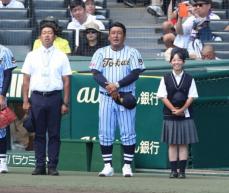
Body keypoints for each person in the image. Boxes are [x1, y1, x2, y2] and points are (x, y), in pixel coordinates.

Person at [90, 22, 145, 177]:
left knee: (128, 132)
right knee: (105, 132)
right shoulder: (101, 52)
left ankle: (127, 166)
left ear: (124, 36)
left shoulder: (132, 52)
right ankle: (108, 166)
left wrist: (117, 85)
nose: (116, 35)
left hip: (125, 97)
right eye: (113, 33)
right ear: (108, 36)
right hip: (106, 97)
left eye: (119, 33)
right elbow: (95, 73)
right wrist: (110, 87)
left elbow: (135, 73)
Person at [21, 21, 72, 176]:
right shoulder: (31, 55)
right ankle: (39, 165)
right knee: (39, 134)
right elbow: (25, 80)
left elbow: (67, 81)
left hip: (54, 97)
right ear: (40, 36)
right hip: (36, 97)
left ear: (54, 36)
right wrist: (25, 100)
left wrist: (65, 102)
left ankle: (53, 166)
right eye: (44, 33)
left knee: (55, 134)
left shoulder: (61, 56)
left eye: (50, 33)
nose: (47, 35)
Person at [157, 48, 199, 178]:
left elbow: (191, 97)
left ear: (183, 62)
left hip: (185, 115)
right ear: (171, 62)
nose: (176, 62)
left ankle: (182, 172)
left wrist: (182, 110)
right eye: (174, 60)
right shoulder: (165, 78)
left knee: (183, 143)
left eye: (179, 60)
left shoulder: (189, 78)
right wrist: (174, 110)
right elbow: (162, 96)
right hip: (170, 115)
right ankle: (173, 171)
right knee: (172, 143)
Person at [0, 44, 17, 173]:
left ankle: (2, 162)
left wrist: (2, 95)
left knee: (1, 129)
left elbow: (7, 75)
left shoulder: (4, 51)